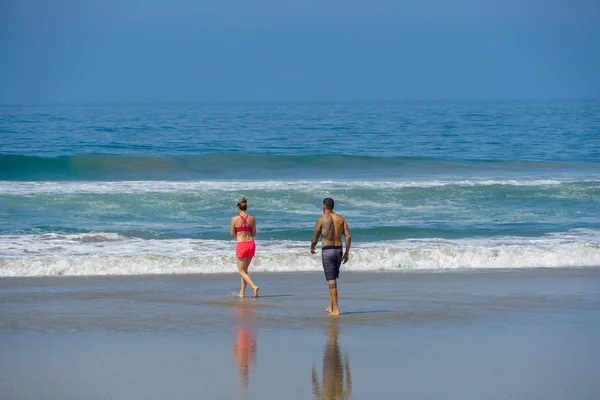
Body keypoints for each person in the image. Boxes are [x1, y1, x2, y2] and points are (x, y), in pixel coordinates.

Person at [310, 197, 351, 316]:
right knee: (331, 279)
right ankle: (330, 306)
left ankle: (336, 309)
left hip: (328, 251)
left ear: (324, 206)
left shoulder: (321, 219)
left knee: (331, 280)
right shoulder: (340, 219)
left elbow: (315, 236)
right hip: (338, 250)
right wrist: (347, 253)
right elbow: (348, 236)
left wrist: (312, 246)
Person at [230, 197, 259, 298]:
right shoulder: (252, 218)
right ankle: (242, 293)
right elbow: (254, 233)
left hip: (241, 245)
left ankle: (254, 286)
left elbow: (232, 234)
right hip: (251, 244)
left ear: (238, 208)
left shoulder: (234, 219)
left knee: (241, 271)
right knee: (245, 271)